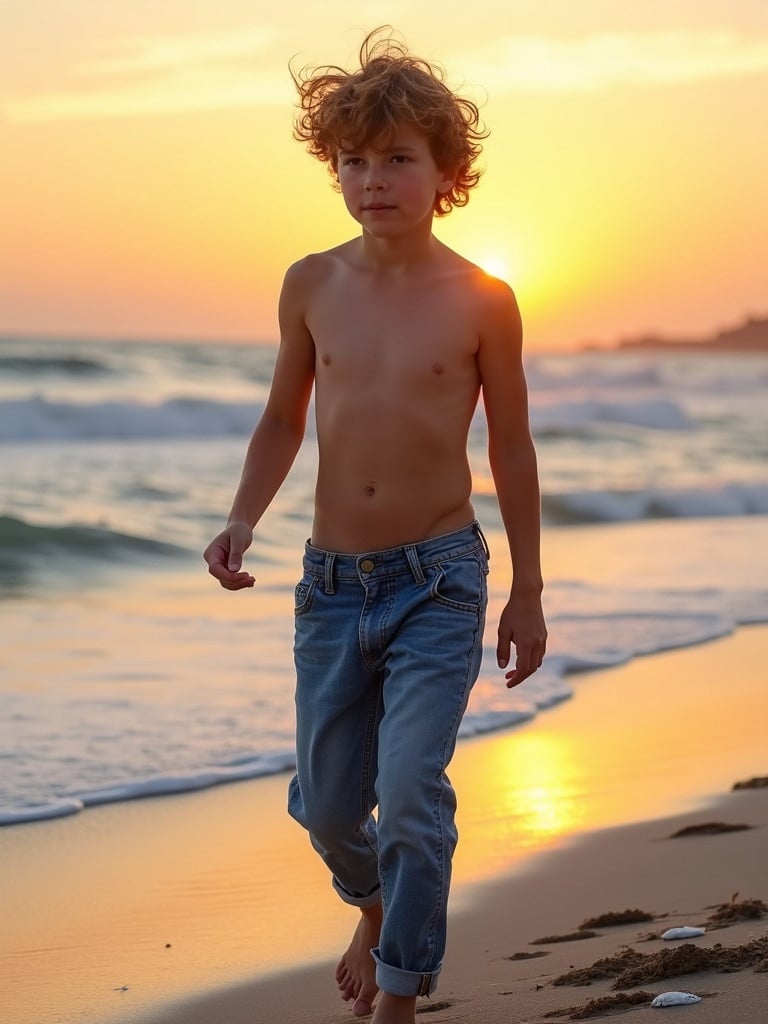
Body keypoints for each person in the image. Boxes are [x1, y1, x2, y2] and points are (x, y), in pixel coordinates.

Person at [204, 28, 547, 1024]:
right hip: (329, 586)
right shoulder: (311, 283)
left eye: (397, 157)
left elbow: (513, 450)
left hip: (439, 578)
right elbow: (283, 416)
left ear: (447, 170)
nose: (373, 179)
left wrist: (526, 590)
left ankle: (400, 995)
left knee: (407, 795)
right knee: (323, 806)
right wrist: (241, 519)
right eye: (353, 160)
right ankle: (374, 903)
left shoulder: (484, 300)